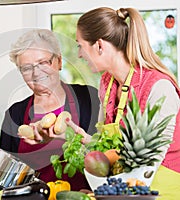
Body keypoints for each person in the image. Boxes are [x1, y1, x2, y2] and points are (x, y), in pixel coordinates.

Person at [66, 7, 179, 199]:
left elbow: (149, 163)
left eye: (80, 45)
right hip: (126, 191)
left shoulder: (158, 87)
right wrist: (89, 142)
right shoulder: (107, 84)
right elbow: (114, 151)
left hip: (166, 192)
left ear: (99, 46)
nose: (79, 55)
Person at [0, 29, 100, 191]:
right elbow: (7, 181)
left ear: (59, 62)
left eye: (42, 62)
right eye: (26, 68)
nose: (36, 73)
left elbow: (106, 154)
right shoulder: (14, 114)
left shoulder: (88, 98)